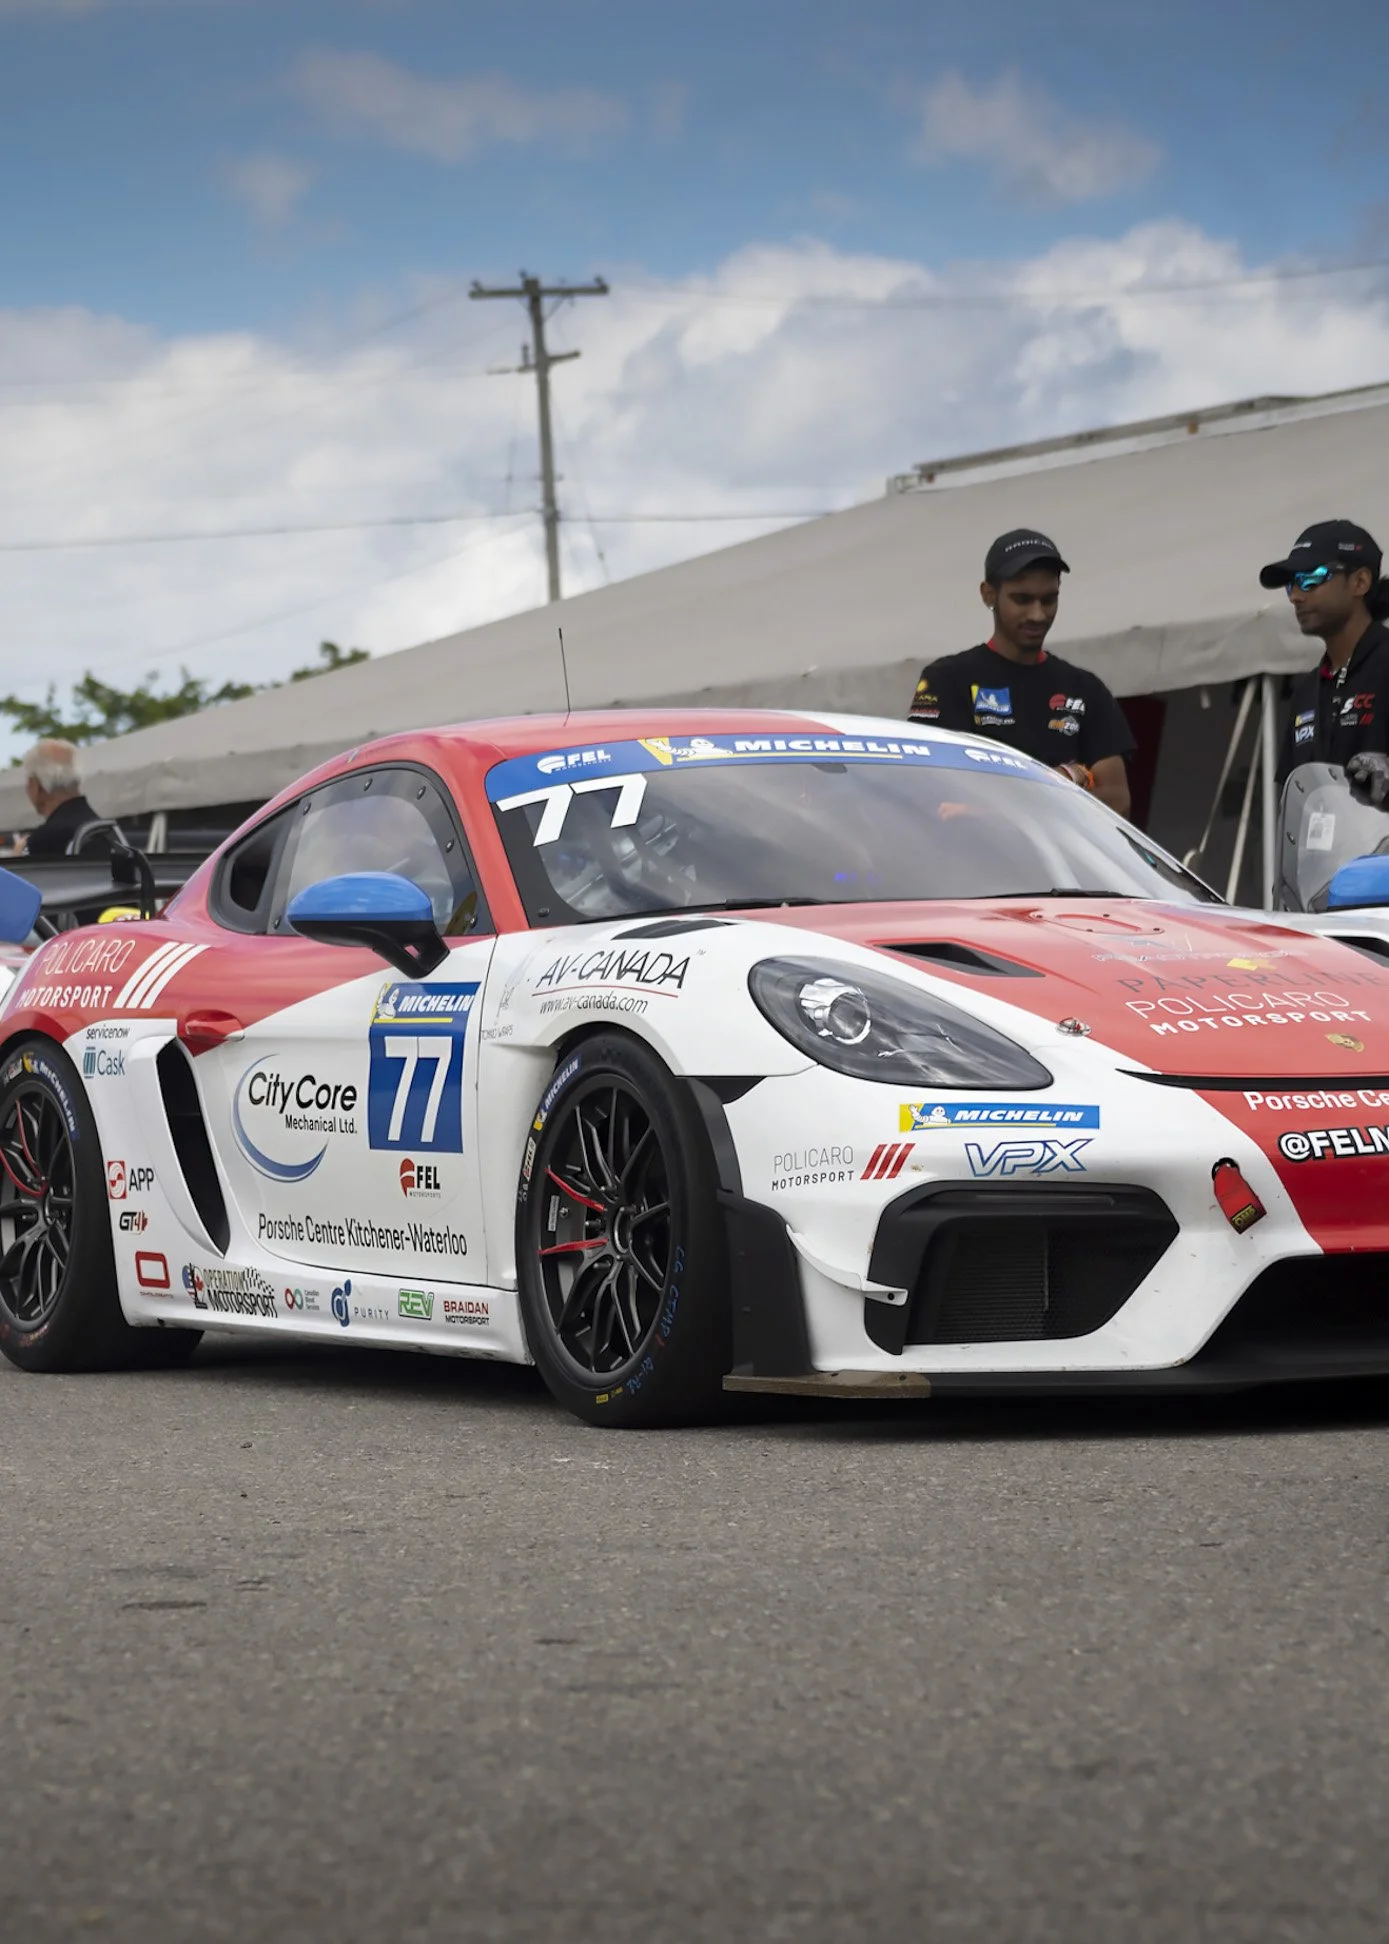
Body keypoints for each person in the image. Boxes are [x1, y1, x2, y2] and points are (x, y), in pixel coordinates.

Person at [908, 528, 1134, 816]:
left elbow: (1117, 801)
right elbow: (935, 794)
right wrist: (1068, 778)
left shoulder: (1086, 689)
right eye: (1022, 599)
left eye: (1049, 600)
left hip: (1058, 861)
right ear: (989, 594)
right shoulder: (946, 680)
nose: (1038, 615)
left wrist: (996, 804)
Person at [1262, 520, 1389, 798]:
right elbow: (1292, 800)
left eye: (1311, 578)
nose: (1295, 596)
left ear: (1360, 582)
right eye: (1291, 585)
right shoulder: (1306, 691)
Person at [20, 740, 104, 858]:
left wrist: (21, 853)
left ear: (37, 785)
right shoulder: (104, 829)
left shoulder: (45, 840)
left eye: (28, 781)